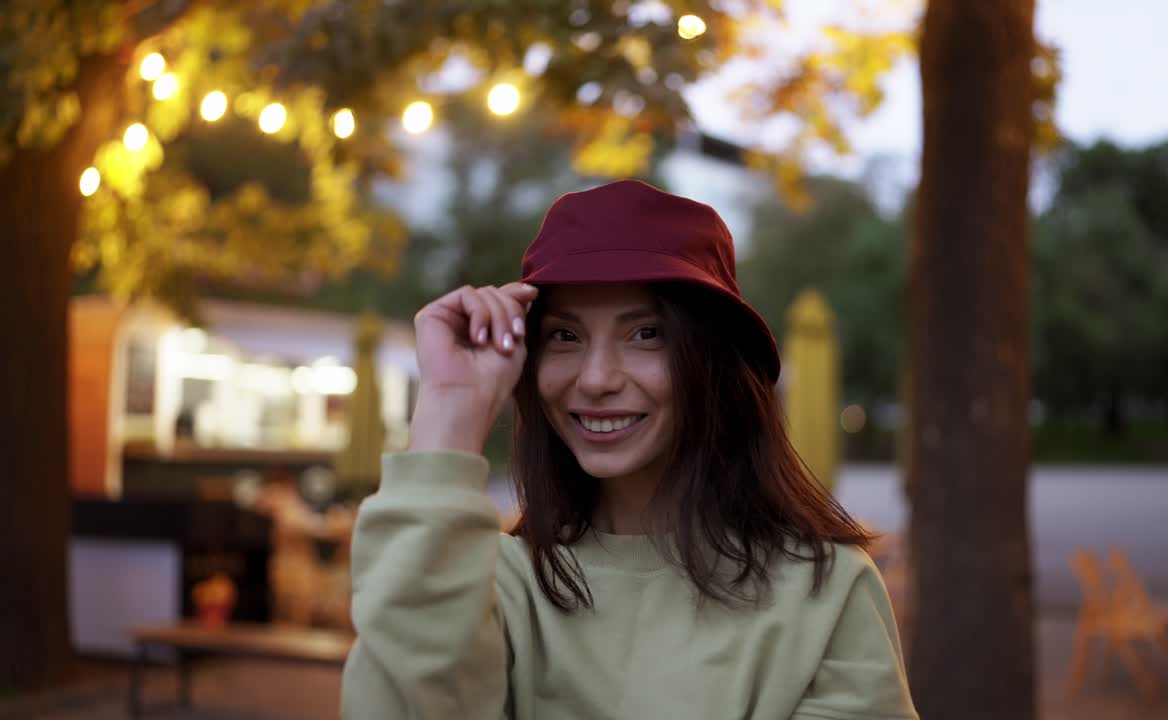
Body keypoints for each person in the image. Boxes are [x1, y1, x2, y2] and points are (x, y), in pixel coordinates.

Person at [341, 180, 917, 719]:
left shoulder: (825, 591)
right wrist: (448, 407)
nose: (595, 379)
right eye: (564, 336)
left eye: (646, 333)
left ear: (712, 363)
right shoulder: (483, 583)